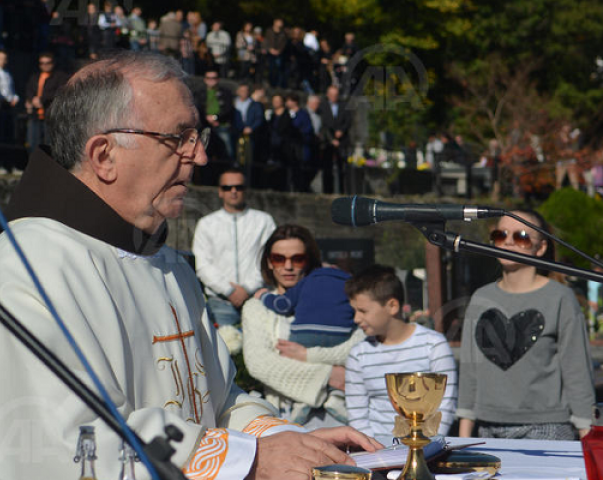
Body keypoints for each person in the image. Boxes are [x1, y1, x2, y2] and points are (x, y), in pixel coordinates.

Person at [0, 51, 380, 480]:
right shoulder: (26, 266)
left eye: (196, 136)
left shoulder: (166, 261)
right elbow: (75, 439)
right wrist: (251, 460)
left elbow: (218, 401)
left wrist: (284, 439)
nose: (198, 157)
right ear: (104, 155)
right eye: (178, 137)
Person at [457, 210, 595, 440]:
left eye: (521, 236)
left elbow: (576, 370)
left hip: (547, 427)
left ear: (540, 248)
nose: (508, 241)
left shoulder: (560, 297)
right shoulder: (481, 298)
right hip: (487, 428)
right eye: (500, 235)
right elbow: (470, 370)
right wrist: (464, 435)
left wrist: (588, 436)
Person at [242, 225, 367, 428]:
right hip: (286, 417)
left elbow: (360, 342)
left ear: (309, 261)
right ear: (269, 262)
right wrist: (329, 375)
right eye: (279, 259)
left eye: (297, 259)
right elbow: (260, 363)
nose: (288, 266)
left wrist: (310, 356)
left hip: (346, 413)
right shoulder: (257, 307)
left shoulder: (336, 295)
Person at [344, 265, 458, 437]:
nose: (356, 318)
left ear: (392, 306)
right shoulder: (358, 355)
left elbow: (445, 405)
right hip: (376, 454)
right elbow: (357, 415)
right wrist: (375, 452)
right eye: (354, 311)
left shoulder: (434, 345)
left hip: (427, 450)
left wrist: (424, 448)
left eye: (363, 311)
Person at [193, 168, 276, 328]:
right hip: (220, 302)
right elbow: (202, 264)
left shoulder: (264, 221)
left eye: (239, 187)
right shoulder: (206, 224)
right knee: (224, 350)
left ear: (246, 190)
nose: (233, 191)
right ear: (220, 192)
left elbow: (269, 259)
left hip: (256, 299)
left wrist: (247, 288)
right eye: (227, 187)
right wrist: (229, 290)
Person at [24, 52, 68, 151]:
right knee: (32, 143)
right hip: (35, 114)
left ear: (53, 63)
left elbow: (59, 92)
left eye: (48, 63)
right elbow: (29, 90)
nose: (45, 65)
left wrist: (42, 99)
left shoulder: (60, 76)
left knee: (49, 144)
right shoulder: (35, 77)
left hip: (50, 115)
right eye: (42, 63)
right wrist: (32, 99)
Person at [194, 69, 234, 162]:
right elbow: (197, 108)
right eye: (209, 78)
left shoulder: (226, 93)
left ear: (218, 79)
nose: (211, 80)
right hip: (204, 126)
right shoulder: (199, 93)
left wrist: (215, 117)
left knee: (226, 151)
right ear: (205, 79)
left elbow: (228, 108)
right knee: (204, 151)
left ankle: (228, 171)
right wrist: (206, 118)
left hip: (222, 125)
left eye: (214, 78)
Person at [318, 85, 352, 193]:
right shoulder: (322, 107)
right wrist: (331, 138)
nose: (334, 97)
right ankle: (327, 191)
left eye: (336, 95)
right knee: (327, 168)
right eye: (332, 95)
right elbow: (323, 124)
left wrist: (341, 131)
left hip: (342, 141)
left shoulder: (344, 106)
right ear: (328, 95)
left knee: (342, 168)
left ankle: (342, 191)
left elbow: (348, 121)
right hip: (327, 142)